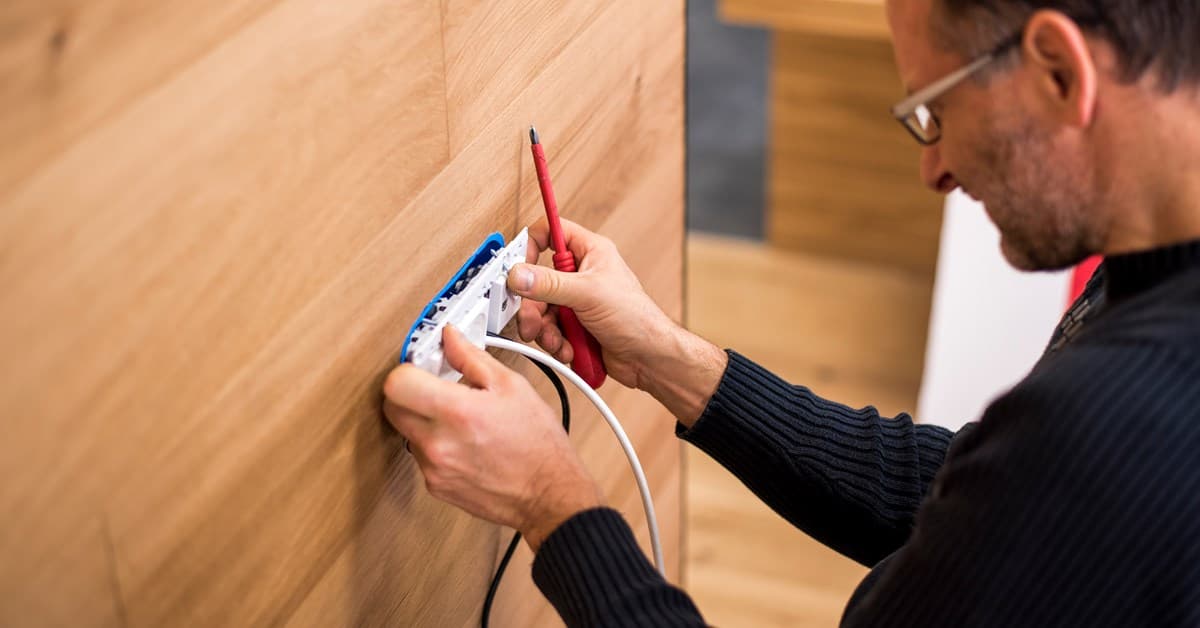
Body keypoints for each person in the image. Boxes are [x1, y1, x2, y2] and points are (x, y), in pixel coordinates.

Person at [382, 0, 1200, 624]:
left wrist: (550, 502)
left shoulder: (1126, 419)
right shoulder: (1155, 281)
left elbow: (1041, 482)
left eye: (935, 114)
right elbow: (977, 496)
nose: (934, 171)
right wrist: (666, 357)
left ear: (1059, 69)